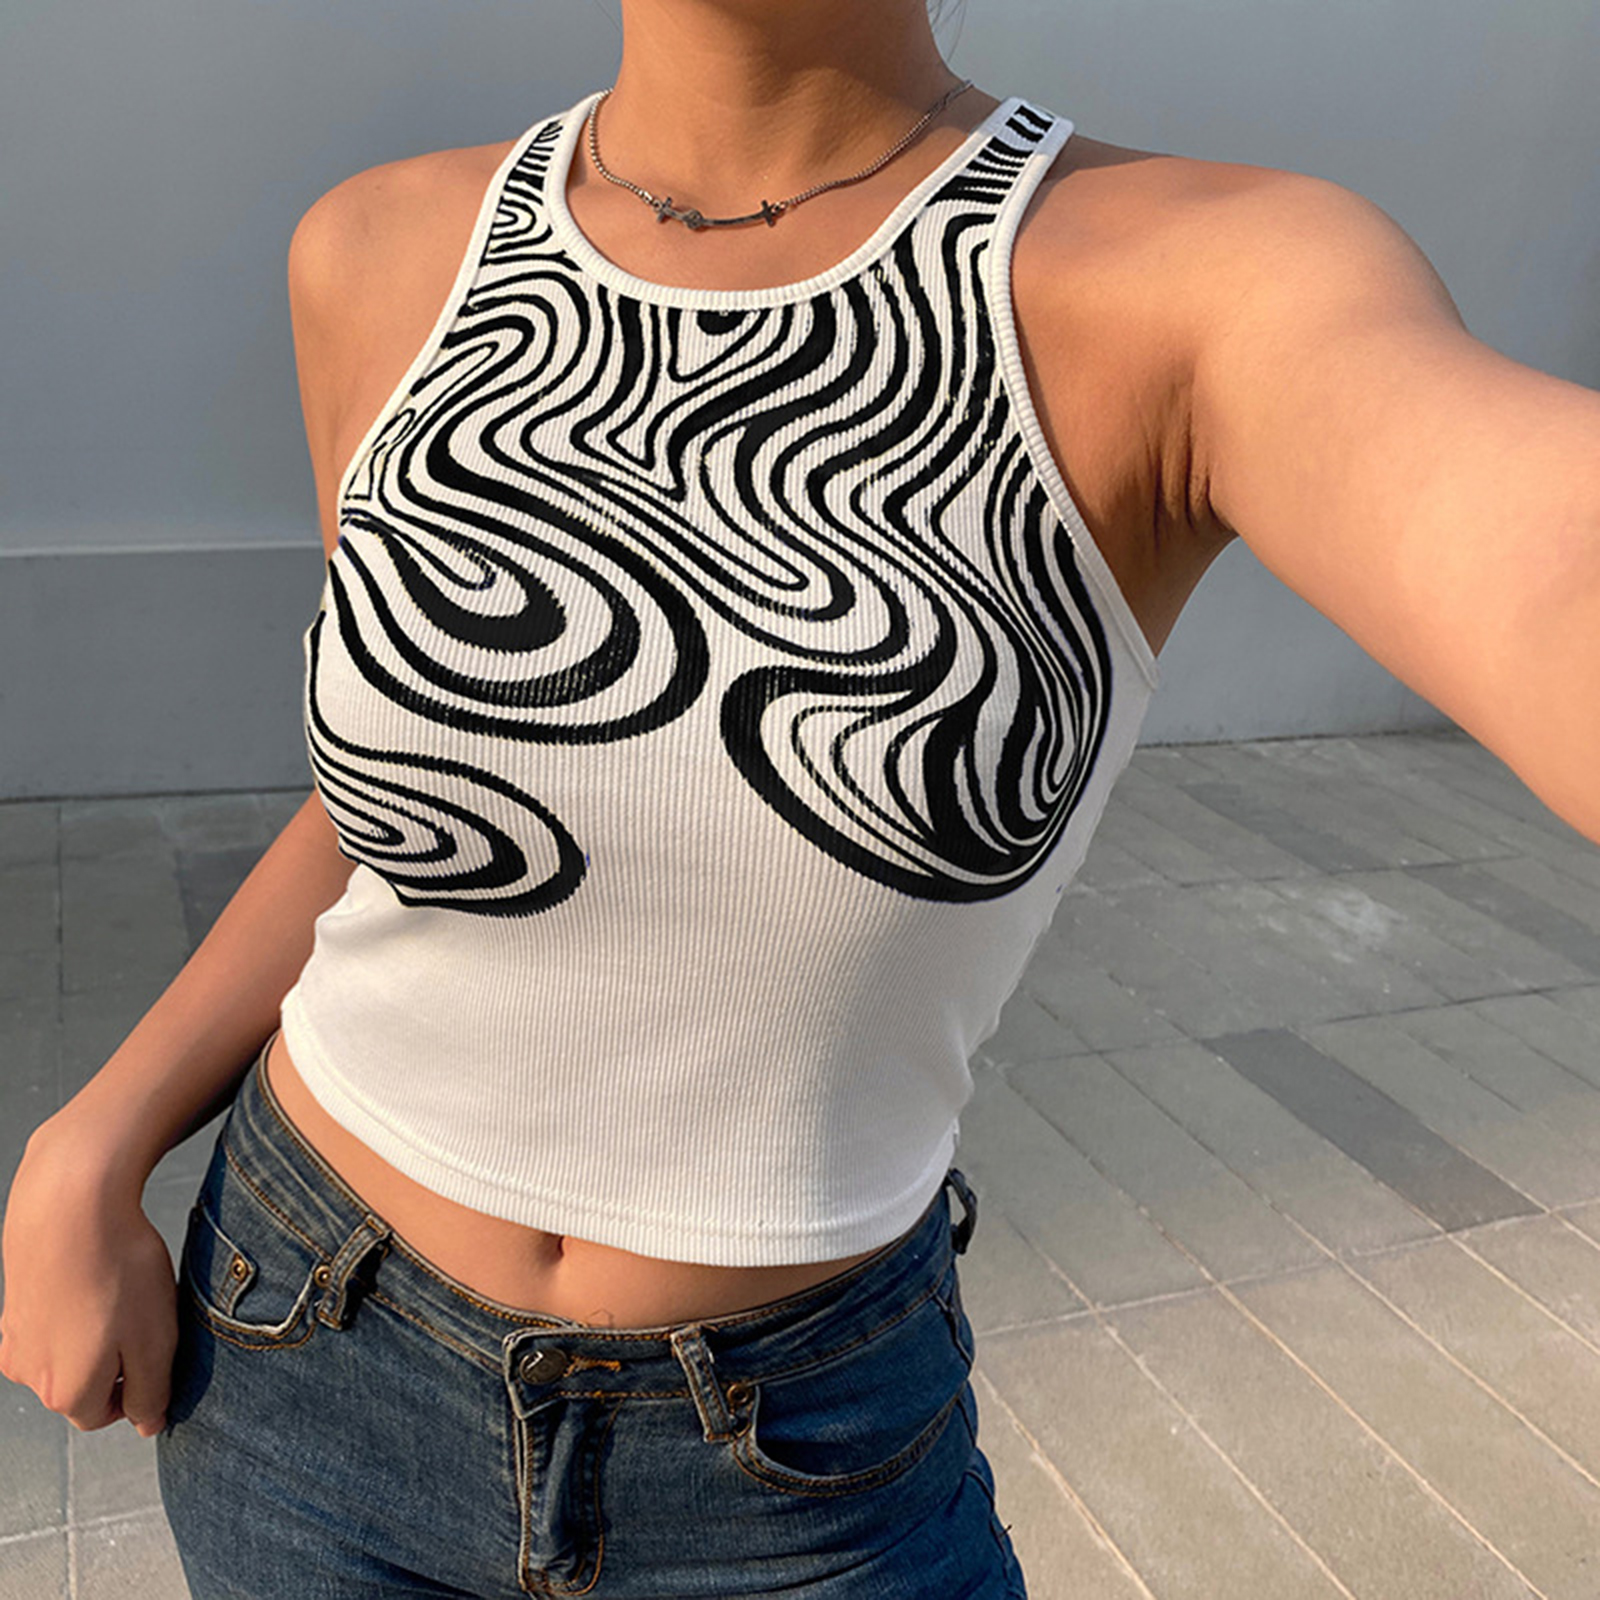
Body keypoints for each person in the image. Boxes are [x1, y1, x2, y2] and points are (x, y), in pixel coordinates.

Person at [3, 0, 1598, 1595]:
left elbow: (1544, 572)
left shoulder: (1199, 285)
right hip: (304, 1360)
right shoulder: (378, 251)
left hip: (797, 1477)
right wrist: (99, 1131)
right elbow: (419, 808)